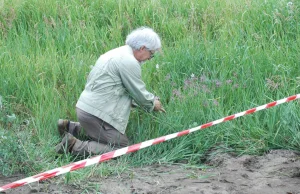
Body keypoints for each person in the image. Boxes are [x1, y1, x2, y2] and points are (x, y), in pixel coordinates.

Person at [55, 26, 165, 157]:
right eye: (151, 54)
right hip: (96, 114)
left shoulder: (116, 52)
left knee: (107, 137)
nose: (149, 58)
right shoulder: (129, 61)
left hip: (86, 108)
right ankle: (74, 146)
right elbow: (139, 93)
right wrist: (153, 103)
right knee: (122, 148)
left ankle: (71, 127)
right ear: (142, 48)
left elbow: (120, 91)